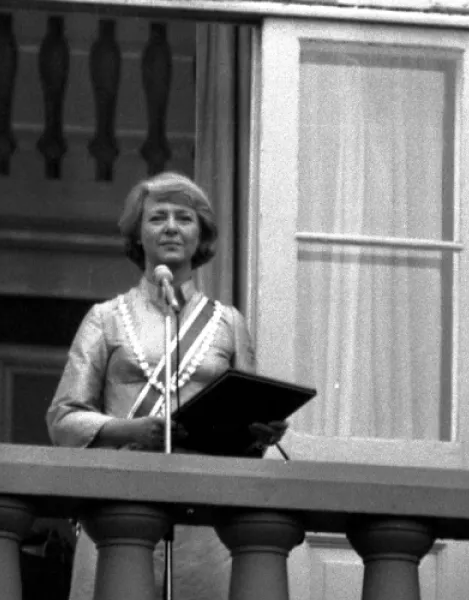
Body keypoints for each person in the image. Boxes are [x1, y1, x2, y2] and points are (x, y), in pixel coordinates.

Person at [46, 171, 288, 600]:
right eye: (158, 217)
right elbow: (63, 419)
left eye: (185, 218)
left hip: (206, 513)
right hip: (121, 505)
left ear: (202, 236)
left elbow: (245, 430)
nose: (172, 227)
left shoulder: (229, 323)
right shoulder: (105, 318)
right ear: (138, 234)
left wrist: (260, 433)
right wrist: (129, 430)